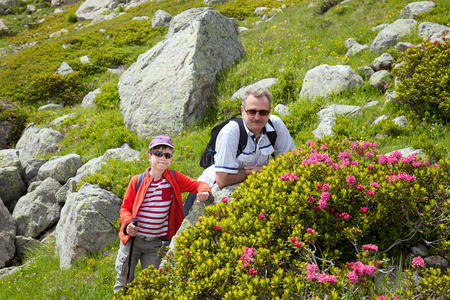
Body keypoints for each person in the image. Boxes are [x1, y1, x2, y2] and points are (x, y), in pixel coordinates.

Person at [113, 135, 211, 293]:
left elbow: (198, 184)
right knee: (123, 281)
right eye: (158, 153)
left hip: (155, 244)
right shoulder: (136, 181)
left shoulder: (174, 178)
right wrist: (127, 225)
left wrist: (204, 191)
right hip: (132, 241)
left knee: (152, 284)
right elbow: (125, 208)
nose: (162, 158)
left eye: (167, 155)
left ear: (171, 160)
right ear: (149, 156)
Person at [184, 87, 295, 215]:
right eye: (252, 112)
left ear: (269, 111)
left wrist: (264, 171)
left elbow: (291, 163)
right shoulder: (230, 132)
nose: (257, 117)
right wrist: (251, 173)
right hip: (208, 191)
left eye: (263, 112)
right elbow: (222, 179)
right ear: (243, 110)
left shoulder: (276, 125)